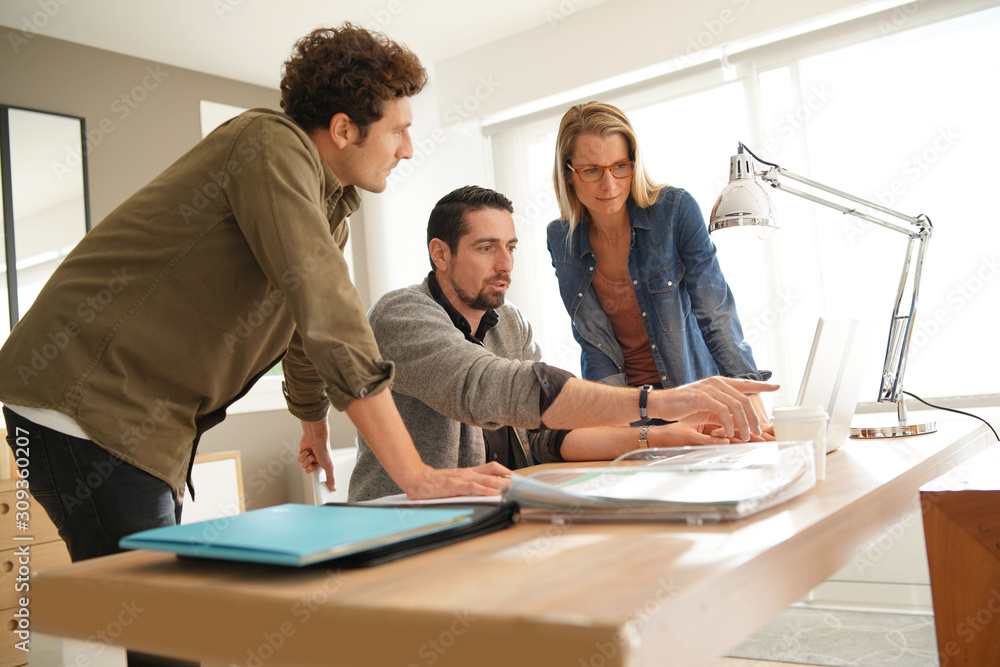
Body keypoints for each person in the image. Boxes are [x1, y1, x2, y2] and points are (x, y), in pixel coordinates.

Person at [0, 23, 511, 577]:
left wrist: (312, 421)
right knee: (156, 609)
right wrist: (417, 474)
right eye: (399, 131)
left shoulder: (327, 205)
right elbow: (328, 311)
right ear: (343, 128)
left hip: (133, 416)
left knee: (162, 608)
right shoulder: (268, 144)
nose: (408, 150)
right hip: (85, 398)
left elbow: (300, 322)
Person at [349, 185, 779, 501]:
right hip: (402, 521)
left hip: (496, 511)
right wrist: (658, 403)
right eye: (486, 248)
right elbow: (487, 387)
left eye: (510, 247)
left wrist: (665, 436)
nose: (505, 265)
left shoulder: (509, 323)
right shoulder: (402, 315)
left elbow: (545, 437)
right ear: (440, 254)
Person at [546, 101, 770, 392]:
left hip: (693, 396)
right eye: (591, 171)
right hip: (624, 404)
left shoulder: (675, 211)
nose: (609, 185)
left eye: (620, 167)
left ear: (634, 163)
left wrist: (749, 395)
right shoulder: (561, 239)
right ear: (567, 173)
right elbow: (592, 341)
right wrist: (616, 421)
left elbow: (716, 316)